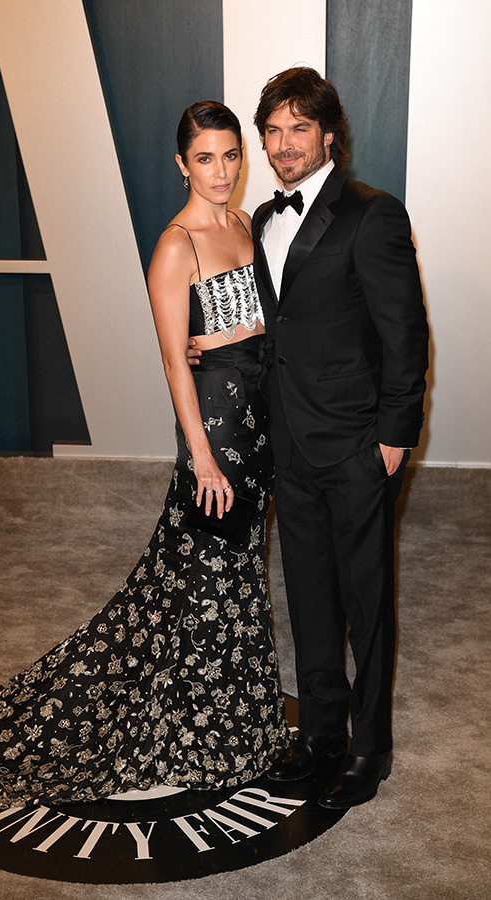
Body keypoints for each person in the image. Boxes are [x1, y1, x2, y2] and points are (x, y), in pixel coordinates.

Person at [0, 101, 287, 806]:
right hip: (214, 436)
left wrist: (224, 337)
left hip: (258, 432)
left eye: (231, 155)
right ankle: (199, 733)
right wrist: (203, 458)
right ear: (181, 164)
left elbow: (254, 327)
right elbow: (171, 362)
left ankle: (233, 724)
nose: (222, 172)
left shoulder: (245, 226)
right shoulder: (175, 246)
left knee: (235, 577)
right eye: (206, 158)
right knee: (204, 581)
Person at [190, 68, 429, 809]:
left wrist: (393, 442)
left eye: (300, 128)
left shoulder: (373, 215)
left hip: (359, 449)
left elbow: (406, 335)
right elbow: (274, 327)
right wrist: (215, 344)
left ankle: (369, 747)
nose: (284, 144)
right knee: (311, 600)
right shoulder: (261, 219)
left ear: (329, 135)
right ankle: (320, 735)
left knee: (367, 601)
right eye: (273, 130)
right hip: (287, 447)